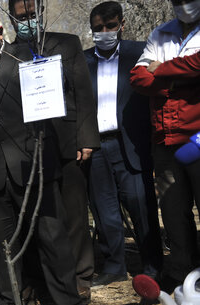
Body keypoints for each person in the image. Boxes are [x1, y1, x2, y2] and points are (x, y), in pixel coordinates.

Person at [0, 5, 96, 305]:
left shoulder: (26, 60)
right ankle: (9, 304)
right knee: (1, 247)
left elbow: (53, 105)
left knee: (53, 240)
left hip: (32, 167)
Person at [8, 0, 100, 304]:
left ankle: (81, 275)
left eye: (32, 15)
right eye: (21, 17)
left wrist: (85, 138)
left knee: (74, 211)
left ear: (41, 13)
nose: (27, 21)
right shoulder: (8, 53)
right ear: (11, 18)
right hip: (30, 147)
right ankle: (44, 277)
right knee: (41, 216)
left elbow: (83, 93)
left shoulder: (67, 43)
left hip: (68, 140)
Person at [83, 1, 162, 286]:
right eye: (97, 29)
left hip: (132, 144)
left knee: (141, 206)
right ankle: (114, 266)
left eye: (109, 26)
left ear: (122, 24)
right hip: (96, 147)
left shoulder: (140, 53)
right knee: (104, 211)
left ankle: (153, 265)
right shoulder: (82, 61)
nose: (104, 32)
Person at [130, 0, 200, 287]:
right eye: (177, 0)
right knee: (172, 209)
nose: (184, 5)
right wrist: (179, 81)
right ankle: (183, 270)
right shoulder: (160, 33)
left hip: (196, 137)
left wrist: (160, 69)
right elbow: (137, 77)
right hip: (165, 139)